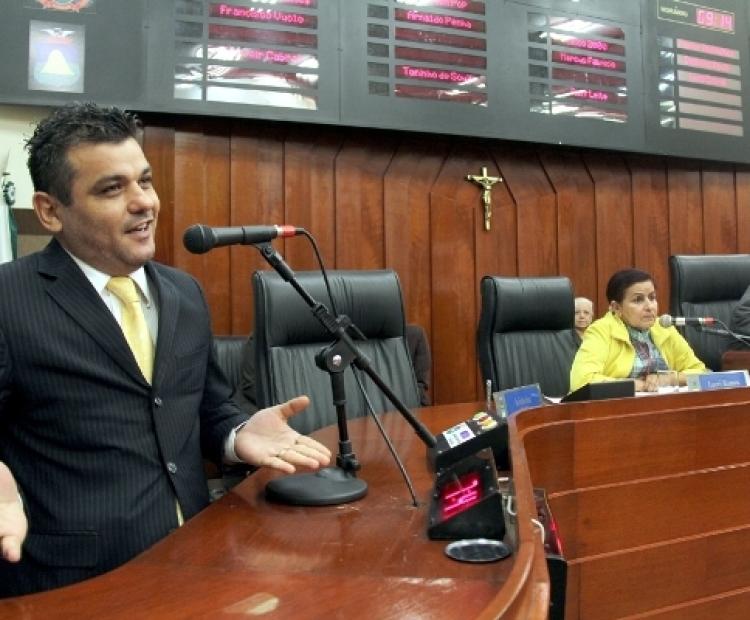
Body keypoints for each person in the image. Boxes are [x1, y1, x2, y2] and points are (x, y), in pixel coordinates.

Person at [0, 102, 331, 598]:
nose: (144, 203)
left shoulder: (183, 293)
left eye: (145, 181)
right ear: (50, 211)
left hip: (197, 561)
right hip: (75, 584)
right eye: (112, 189)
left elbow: (207, 407)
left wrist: (237, 433)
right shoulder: (8, 299)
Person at [570, 268, 705, 393]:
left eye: (652, 298)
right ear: (616, 307)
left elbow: (700, 372)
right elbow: (581, 381)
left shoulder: (664, 328)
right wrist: (636, 385)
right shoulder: (601, 331)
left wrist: (670, 379)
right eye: (638, 300)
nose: (649, 306)